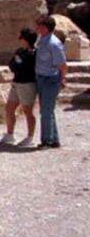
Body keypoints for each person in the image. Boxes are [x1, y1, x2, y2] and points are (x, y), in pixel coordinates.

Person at [0, 28, 38, 147]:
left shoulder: (33, 53)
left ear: (26, 40)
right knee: (9, 108)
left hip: (27, 84)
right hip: (16, 82)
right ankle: (10, 134)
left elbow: (24, 67)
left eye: (21, 38)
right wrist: (18, 65)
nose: (19, 40)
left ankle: (30, 137)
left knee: (28, 111)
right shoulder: (20, 51)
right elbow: (12, 65)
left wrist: (18, 65)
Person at [34, 16, 67, 148]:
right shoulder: (42, 40)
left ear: (46, 27)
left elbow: (62, 64)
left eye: (39, 25)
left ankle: (46, 141)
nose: (37, 28)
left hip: (51, 79)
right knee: (48, 110)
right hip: (42, 78)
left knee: (46, 111)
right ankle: (54, 139)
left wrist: (63, 79)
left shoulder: (54, 43)